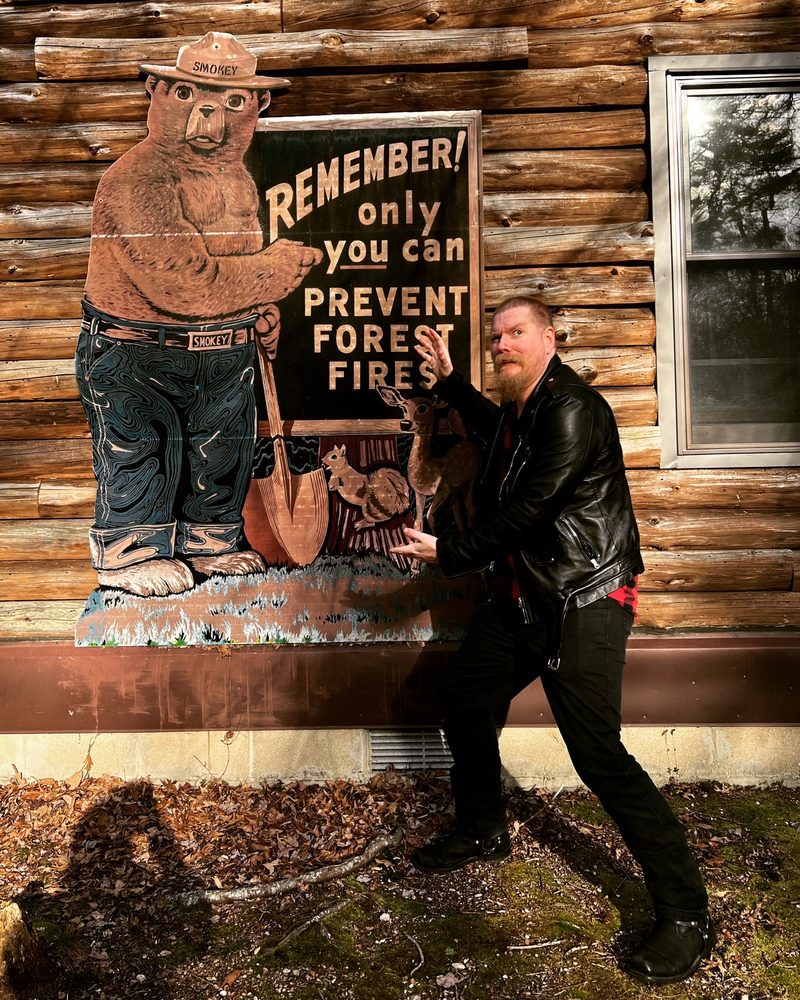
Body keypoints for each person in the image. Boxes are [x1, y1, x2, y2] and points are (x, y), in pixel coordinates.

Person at [390, 296, 714, 985]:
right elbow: (498, 434)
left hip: (581, 598)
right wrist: (452, 384)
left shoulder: (573, 409)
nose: (503, 345)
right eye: (496, 337)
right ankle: (483, 828)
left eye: (516, 333)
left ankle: (686, 913)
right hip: (523, 596)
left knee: (598, 757)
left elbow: (532, 506)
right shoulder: (525, 409)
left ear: (549, 339)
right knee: (464, 697)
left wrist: (451, 551)